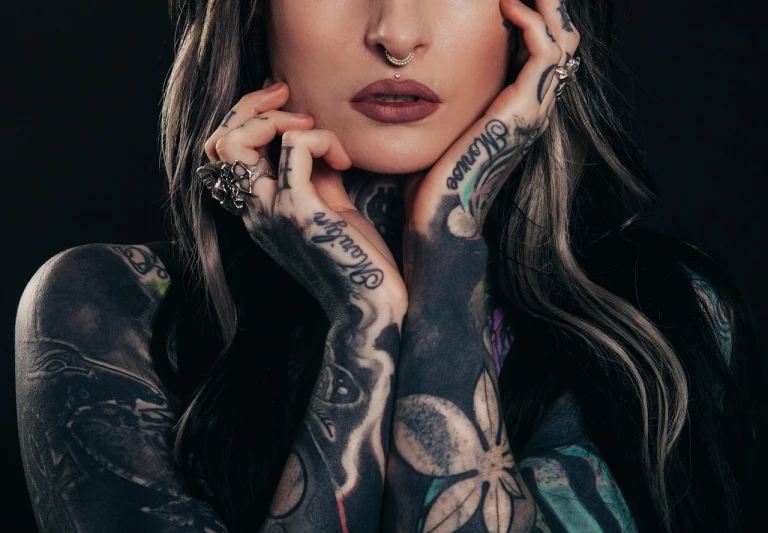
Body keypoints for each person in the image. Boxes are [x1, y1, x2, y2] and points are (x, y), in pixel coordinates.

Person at [14, 0, 759, 531]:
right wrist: (364, 316)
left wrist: (449, 239)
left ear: (540, 15)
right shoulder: (103, 313)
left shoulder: (658, 321)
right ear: (252, 11)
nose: (397, 33)